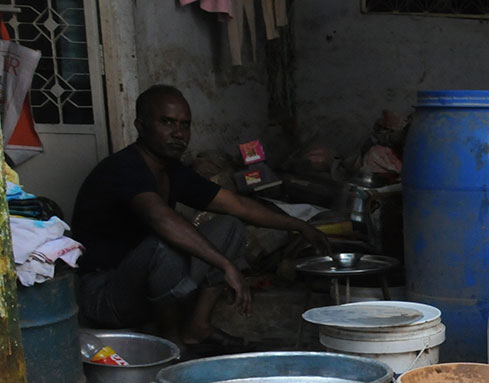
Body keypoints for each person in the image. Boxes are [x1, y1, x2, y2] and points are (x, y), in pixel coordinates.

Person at [72, 84, 331, 354]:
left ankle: (198, 328)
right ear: (140, 125)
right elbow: (162, 220)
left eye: (185, 125)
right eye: (167, 122)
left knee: (228, 226)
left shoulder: (171, 170)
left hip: (143, 286)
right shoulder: (123, 168)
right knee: (164, 244)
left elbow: (237, 205)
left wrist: (299, 225)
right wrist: (226, 265)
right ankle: (171, 342)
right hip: (106, 295)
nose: (179, 133)